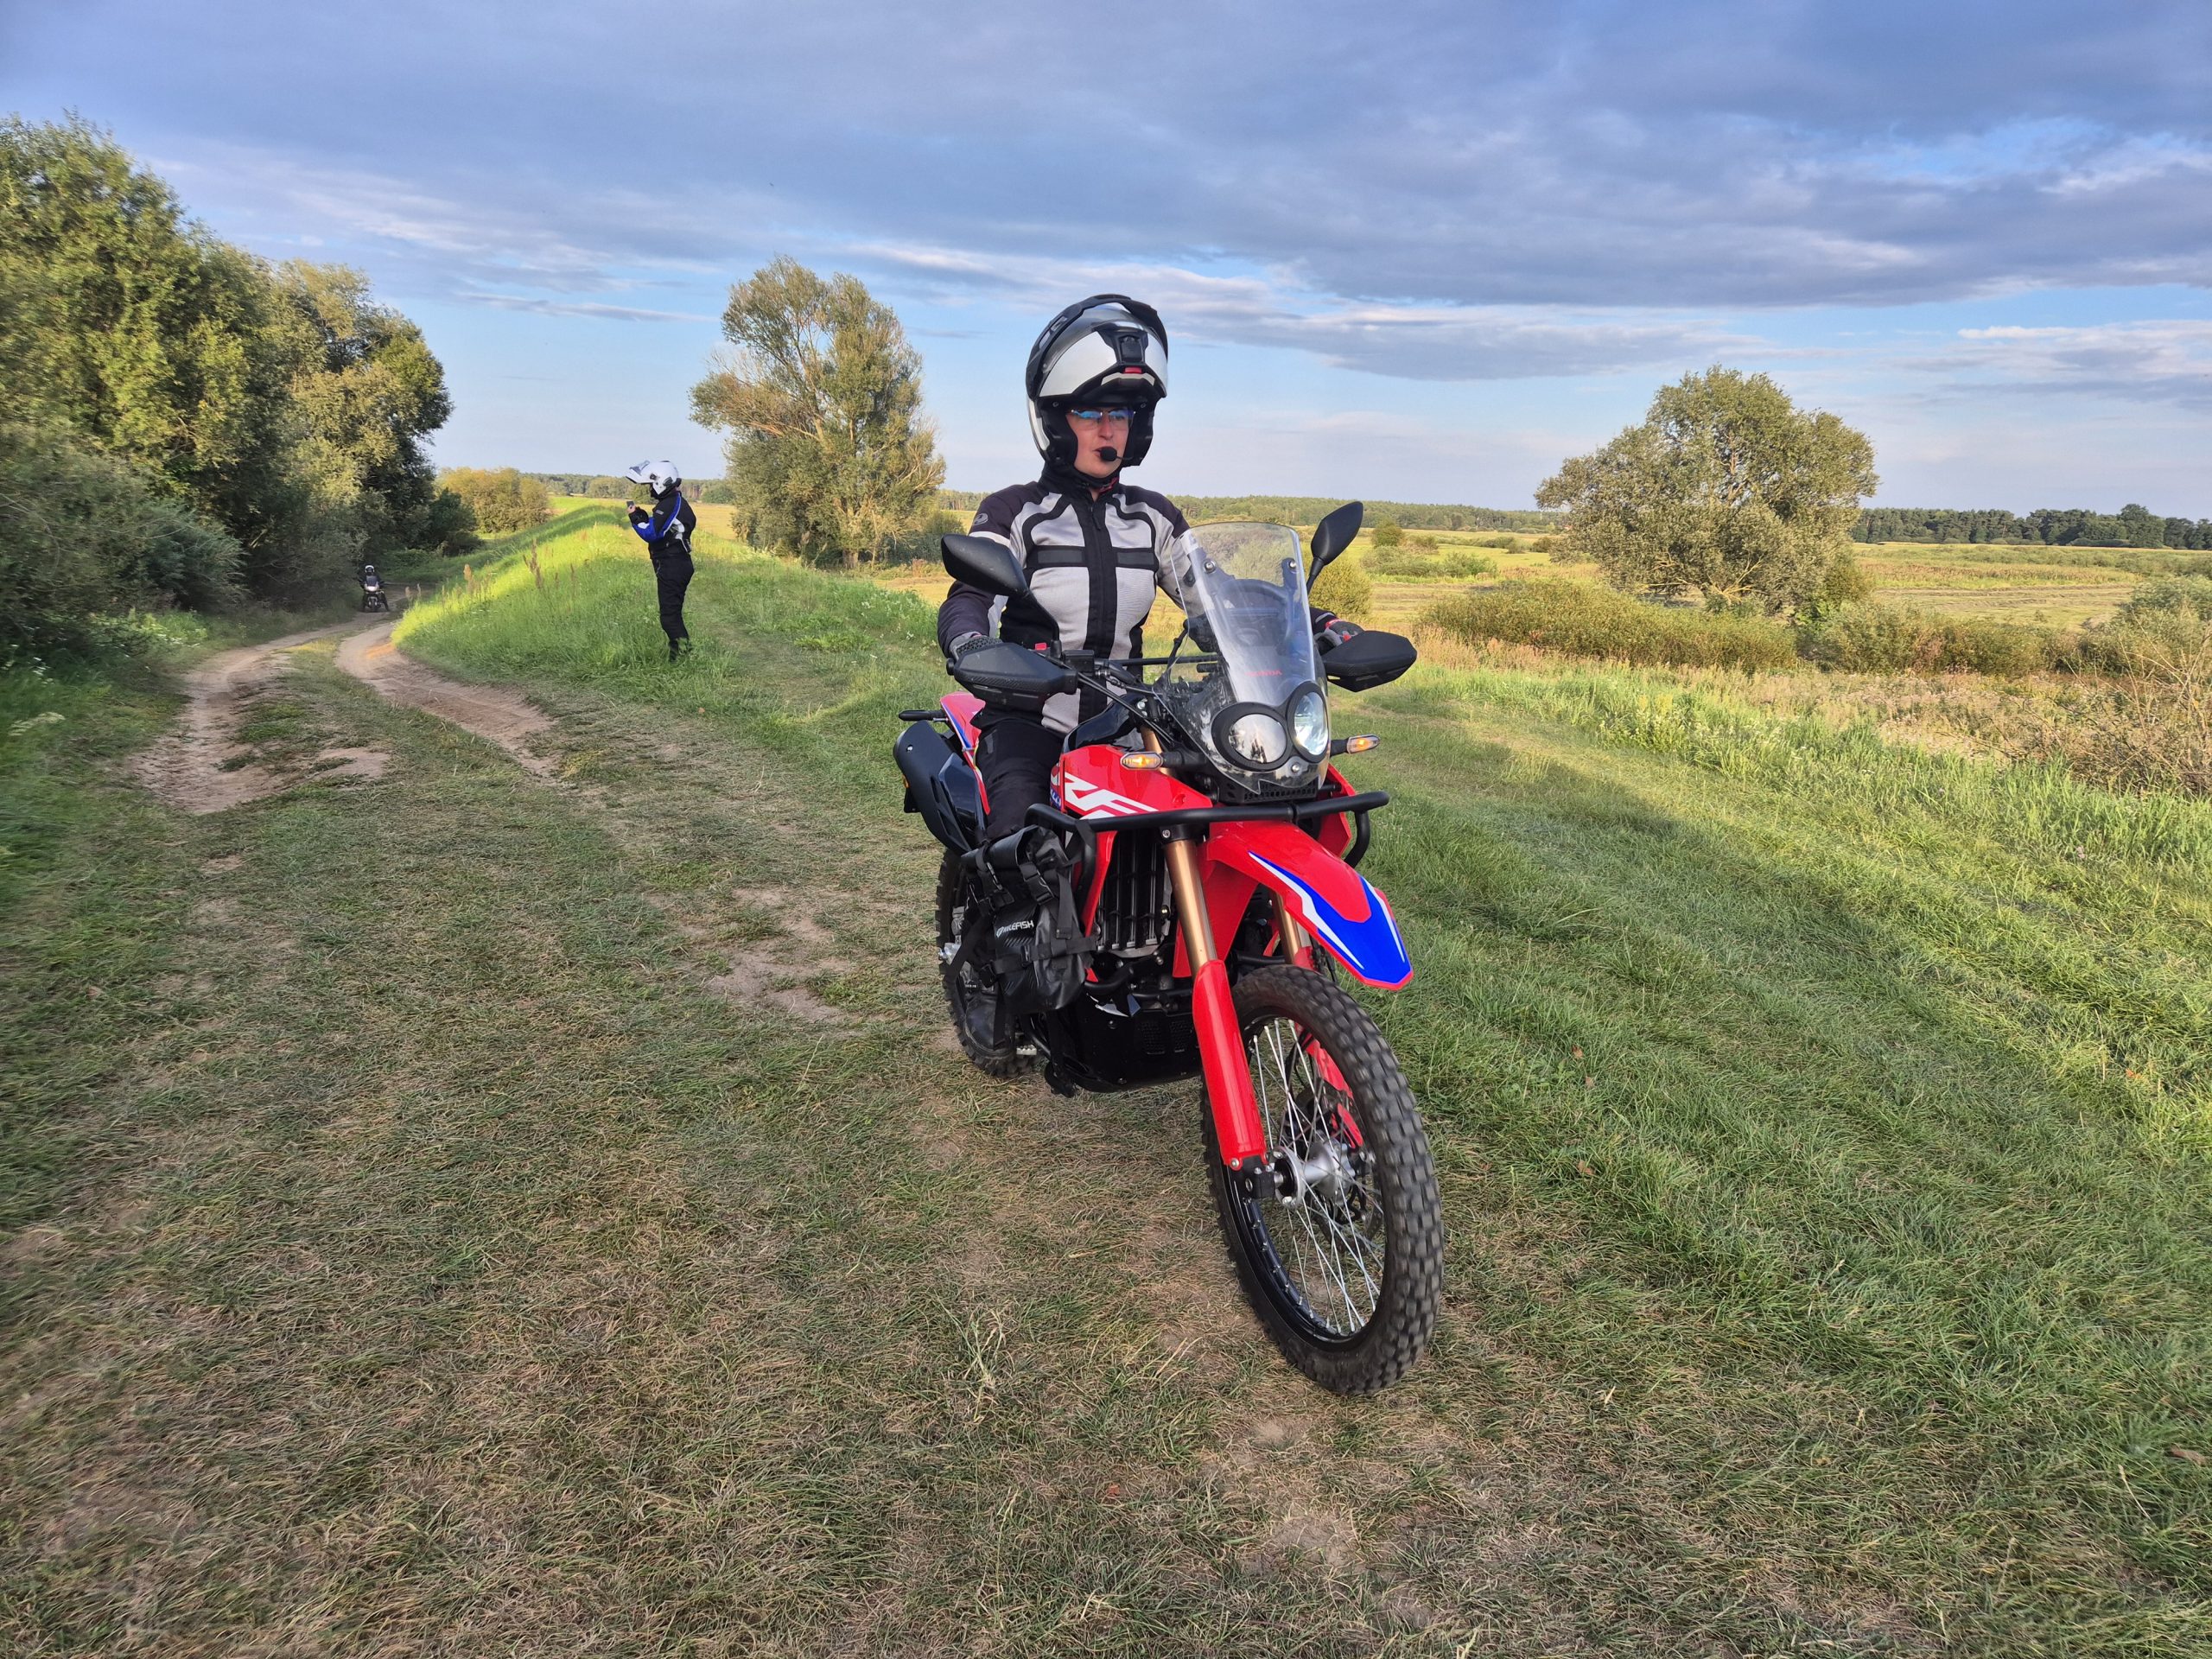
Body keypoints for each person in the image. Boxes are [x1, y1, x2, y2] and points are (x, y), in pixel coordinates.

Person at [936, 296, 1360, 840]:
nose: (1108, 430)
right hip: (1031, 721)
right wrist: (971, 642)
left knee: (1213, 817)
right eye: (1089, 414)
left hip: (1128, 722)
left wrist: (1316, 623)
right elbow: (971, 594)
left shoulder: (1152, 517)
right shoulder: (1015, 510)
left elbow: (1221, 598)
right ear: (1055, 420)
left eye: (1120, 415)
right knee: (1023, 841)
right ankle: (1009, 895)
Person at [624, 461, 697, 660]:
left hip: (673, 565)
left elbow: (652, 534)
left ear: (661, 482)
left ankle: (682, 658)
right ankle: (682, 654)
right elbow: (666, 526)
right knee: (672, 613)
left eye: (651, 485)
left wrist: (635, 519)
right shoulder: (675, 502)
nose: (650, 490)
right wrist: (644, 517)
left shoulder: (669, 504)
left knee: (669, 617)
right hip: (677, 563)